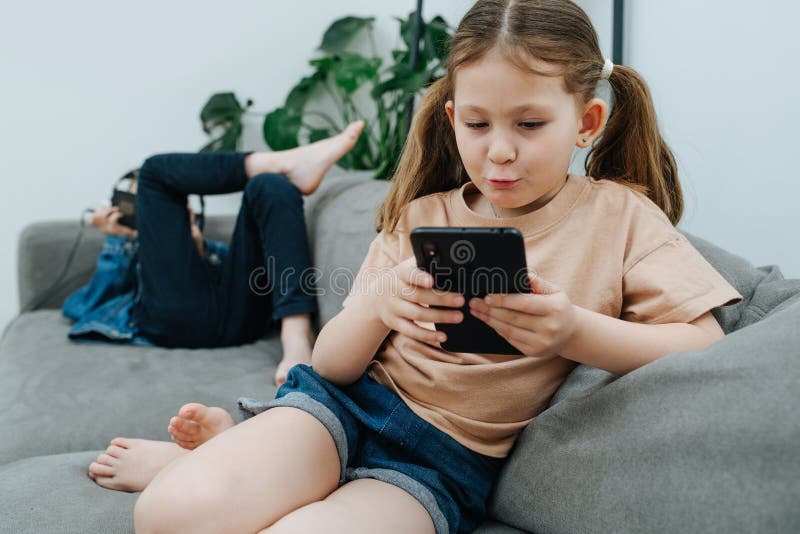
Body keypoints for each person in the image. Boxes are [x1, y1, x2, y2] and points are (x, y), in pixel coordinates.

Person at [89, 1, 744, 532]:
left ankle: (230, 454)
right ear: (453, 118)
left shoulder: (621, 218)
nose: (501, 153)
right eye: (479, 124)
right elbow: (334, 364)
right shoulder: (425, 213)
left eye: (530, 123)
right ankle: (224, 457)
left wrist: (573, 332)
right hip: (340, 407)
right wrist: (378, 304)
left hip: (439, 464)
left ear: (587, 121)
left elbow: (703, 338)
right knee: (166, 516)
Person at [64, 121, 365, 387]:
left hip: (240, 318)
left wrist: (202, 250)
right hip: (172, 324)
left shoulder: (211, 250)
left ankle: (296, 338)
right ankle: (284, 161)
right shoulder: (141, 262)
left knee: (269, 184)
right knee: (153, 171)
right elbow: (80, 307)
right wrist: (121, 243)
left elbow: (252, 266)